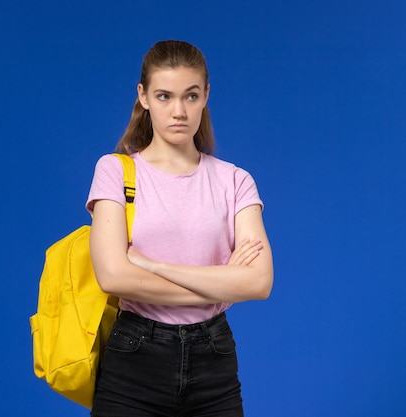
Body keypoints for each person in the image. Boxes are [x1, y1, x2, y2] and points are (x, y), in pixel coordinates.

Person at [86, 40, 273, 417]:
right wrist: (220, 284)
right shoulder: (116, 171)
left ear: (206, 95)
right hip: (134, 359)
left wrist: (155, 266)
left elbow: (259, 283)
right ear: (143, 97)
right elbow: (113, 276)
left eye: (190, 96)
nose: (178, 111)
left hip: (214, 361)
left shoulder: (234, 181)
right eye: (164, 96)